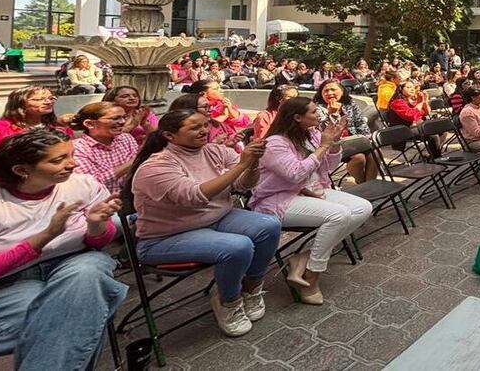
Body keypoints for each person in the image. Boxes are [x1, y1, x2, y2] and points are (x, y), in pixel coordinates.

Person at [127, 109, 281, 336]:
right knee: (238, 246)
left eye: (205, 125)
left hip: (217, 218)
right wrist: (241, 164)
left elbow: (243, 185)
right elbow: (192, 197)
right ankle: (228, 300)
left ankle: (251, 287)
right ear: (169, 135)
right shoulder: (156, 166)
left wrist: (253, 164)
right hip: (167, 237)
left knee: (269, 226)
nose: (203, 131)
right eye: (194, 127)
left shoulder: (215, 151)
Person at [0, 130, 126, 369]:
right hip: (12, 282)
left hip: (76, 263)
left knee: (88, 273)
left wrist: (95, 223)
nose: (73, 163)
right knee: (83, 309)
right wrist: (45, 236)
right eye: (58, 159)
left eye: (70, 154)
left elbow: (98, 243)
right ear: (21, 170)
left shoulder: (82, 185)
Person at [252, 98, 372, 304]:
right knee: (338, 215)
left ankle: (304, 259)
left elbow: (328, 167)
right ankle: (312, 275)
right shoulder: (275, 143)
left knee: (363, 207)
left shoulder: (313, 134)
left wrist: (333, 146)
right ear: (297, 117)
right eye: (314, 112)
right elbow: (295, 175)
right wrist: (323, 146)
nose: (319, 115)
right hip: (279, 199)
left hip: (313, 190)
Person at [0, 87, 74, 181]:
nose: (48, 102)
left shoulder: (59, 129)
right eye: (39, 99)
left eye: (51, 98)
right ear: (19, 103)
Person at [314, 80, 378, 183]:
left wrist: (367, 138)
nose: (329, 93)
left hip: (354, 141)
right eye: (325, 91)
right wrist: (331, 114)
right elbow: (324, 131)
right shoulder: (317, 108)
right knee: (359, 158)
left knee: (374, 153)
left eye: (333, 89)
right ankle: (363, 185)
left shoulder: (349, 103)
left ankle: (370, 184)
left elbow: (360, 122)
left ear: (342, 91)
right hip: (333, 146)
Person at [70, 102, 140, 193]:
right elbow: (90, 185)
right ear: (89, 124)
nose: (122, 122)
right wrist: (134, 162)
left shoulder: (126, 138)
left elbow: (135, 172)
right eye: (115, 118)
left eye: (124, 117)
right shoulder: (77, 149)